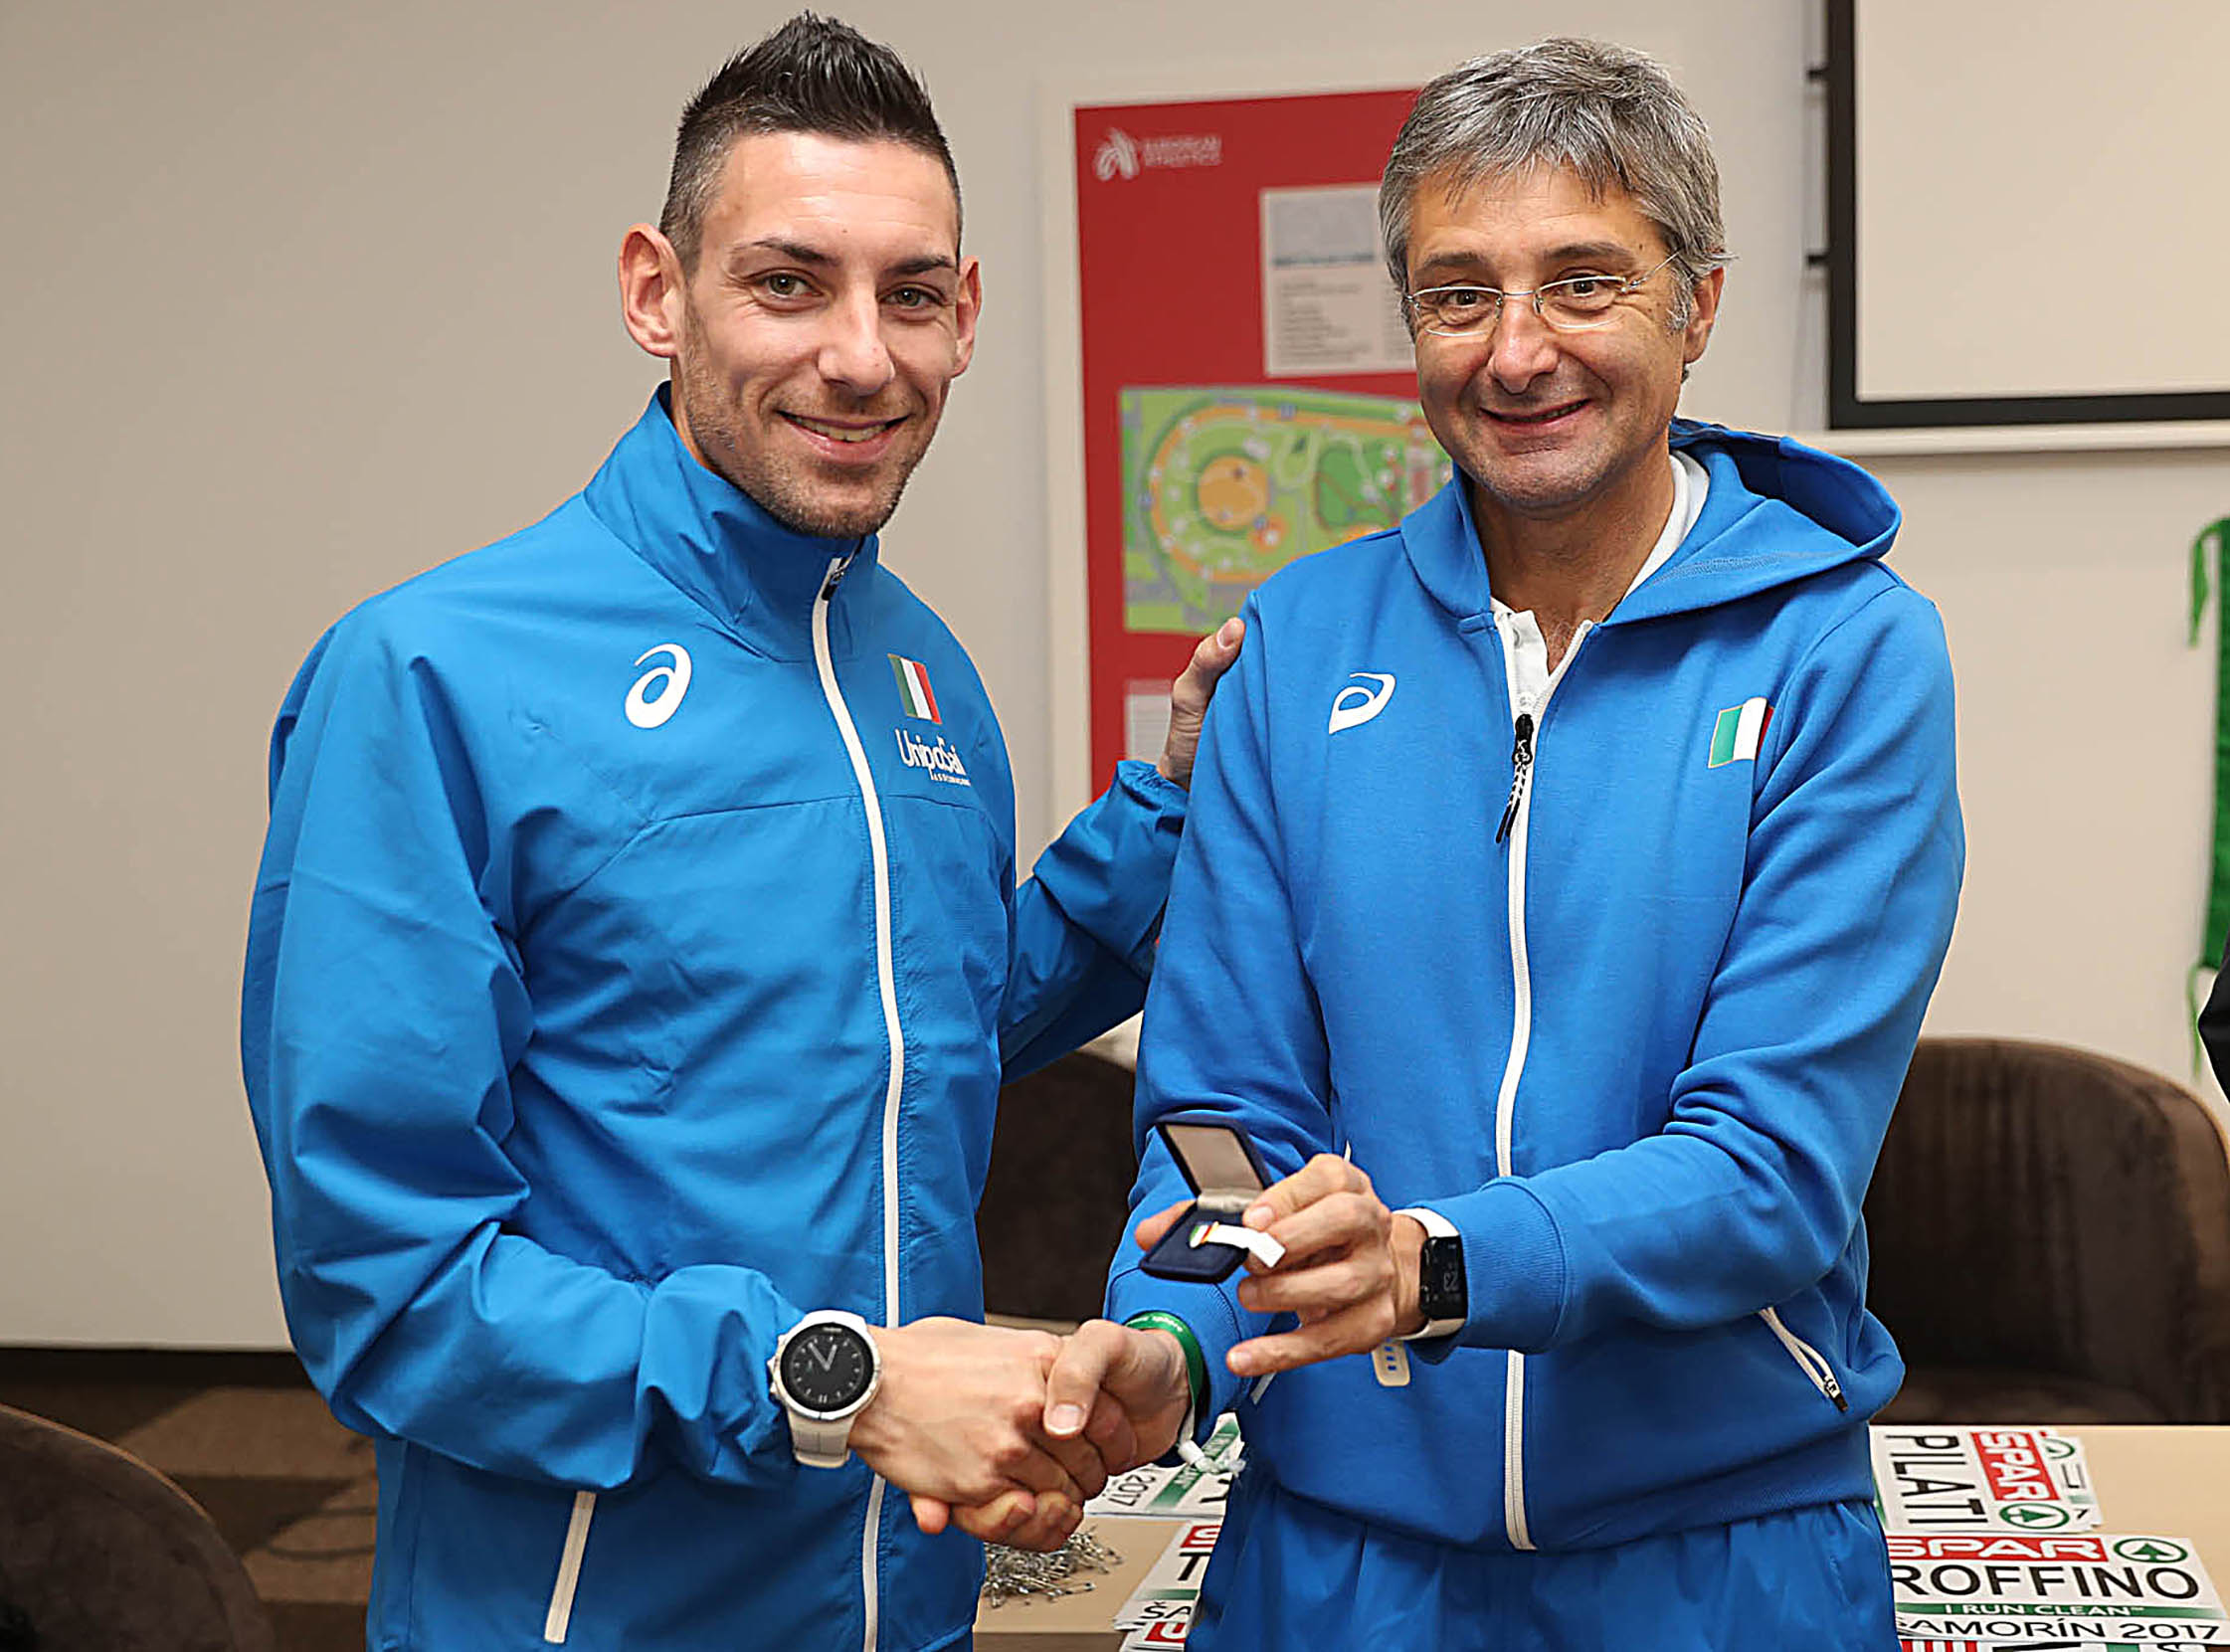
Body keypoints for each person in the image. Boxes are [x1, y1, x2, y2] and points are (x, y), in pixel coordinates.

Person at [240, 16, 1236, 1651]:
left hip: (903, 1599)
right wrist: (836, 1385)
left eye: (909, 294)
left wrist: (1171, 805)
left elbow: (931, 1023)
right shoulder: (429, 675)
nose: (859, 355)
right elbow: (387, 1285)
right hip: (584, 1616)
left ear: (964, 317)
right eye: (788, 282)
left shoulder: (916, 669)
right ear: (657, 291)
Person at [1045, 35, 1964, 1650]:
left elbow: (1767, 1169)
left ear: (1696, 303)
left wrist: (1436, 1261)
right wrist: (1169, 1342)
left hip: (1718, 1560)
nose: (1517, 350)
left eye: (1582, 283)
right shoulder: (1298, 644)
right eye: (1457, 294)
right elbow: (1222, 1116)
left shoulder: (1843, 650)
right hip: (1338, 1563)